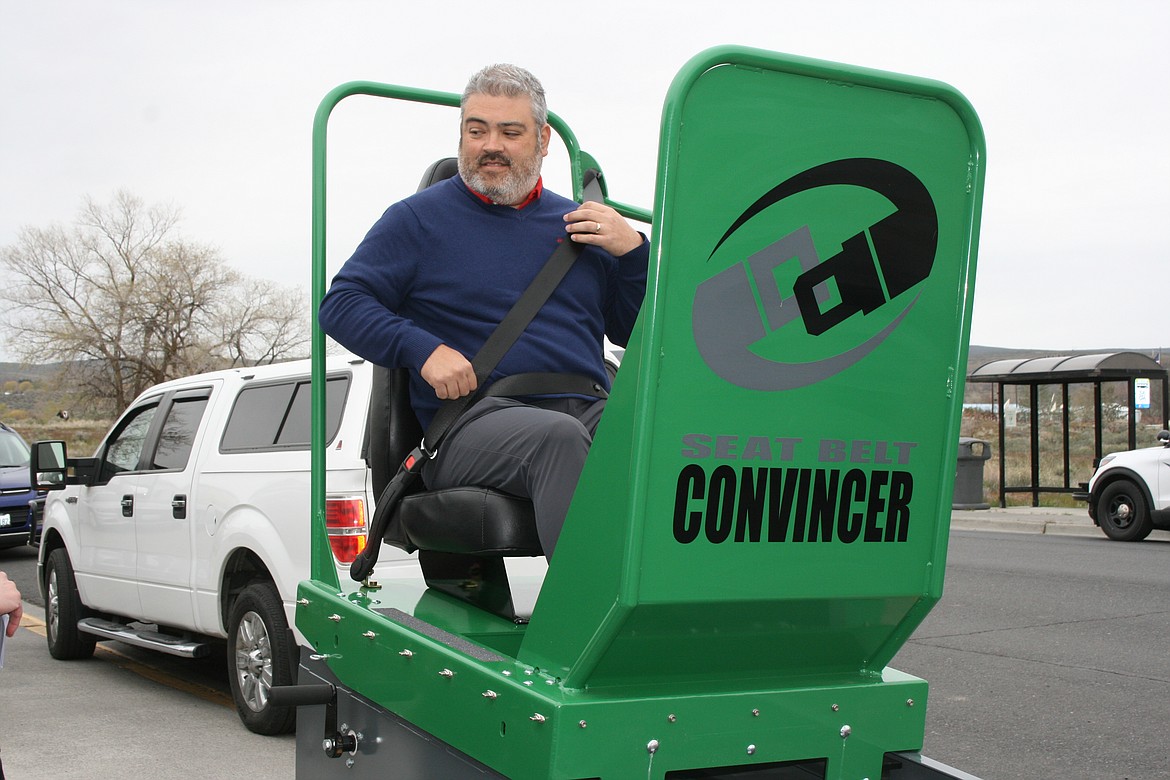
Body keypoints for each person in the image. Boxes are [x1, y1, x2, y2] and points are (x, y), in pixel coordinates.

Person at [319, 63, 649, 559]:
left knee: (673, 438)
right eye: (477, 130)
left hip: (587, 406)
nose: (490, 144)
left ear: (541, 142)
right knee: (558, 439)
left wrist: (635, 253)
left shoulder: (583, 226)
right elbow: (341, 305)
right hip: (473, 421)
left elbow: (632, 330)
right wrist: (422, 349)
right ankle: (585, 627)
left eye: (509, 132)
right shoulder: (417, 220)